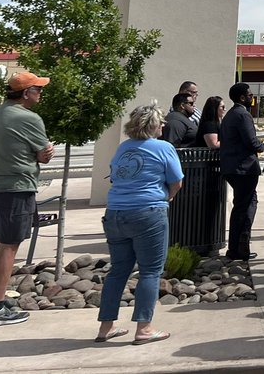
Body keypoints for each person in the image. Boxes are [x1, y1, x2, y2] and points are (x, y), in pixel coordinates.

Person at [0, 71, 55, 327]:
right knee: (9, 246)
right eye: (38, 89)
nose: (41, 93)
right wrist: (47, 153)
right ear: (26, 93)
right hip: (15, 188)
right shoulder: (30, 118)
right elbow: (42, 155)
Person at [95, 102, 184, 345]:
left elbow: (114, 177)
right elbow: (176, 182)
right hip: (148, 212)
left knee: (118, 271)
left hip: (115, 212)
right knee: (150, 271)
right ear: (154, 125)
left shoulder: (123, 148)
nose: (164, 125)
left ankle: (106, 327)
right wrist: (167, 198)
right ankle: (144, 328)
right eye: (161, 122)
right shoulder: (164, 148)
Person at [220, 82, 264, 263]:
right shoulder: (242, 115)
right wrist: (261, 146)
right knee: (245, 206)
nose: (252, 97)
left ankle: (237, 247)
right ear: (241, 97)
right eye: (249, 94)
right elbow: (251, 141)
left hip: (233, 167)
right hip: (244, 169)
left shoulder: (230, 114)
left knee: (243, 204)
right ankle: (240, 246)